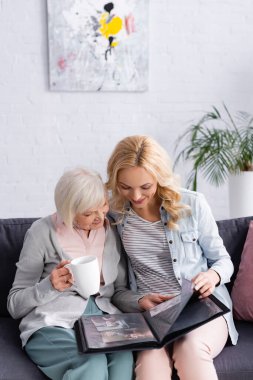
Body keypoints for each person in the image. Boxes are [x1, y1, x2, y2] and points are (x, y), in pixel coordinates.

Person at [106, 135, 238, 380]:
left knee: (189, 347)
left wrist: (212, 275)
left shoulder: (192, 204)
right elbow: (118, 291)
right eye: (125, 187)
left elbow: (224, 261)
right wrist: (140, 301)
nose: (135, 196)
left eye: (145, 186)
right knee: (149, 363)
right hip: (152, 317)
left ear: (159, 176)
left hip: (200, 309)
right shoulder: (114, 216)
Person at [7, 167, 133, 380]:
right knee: (92, 362)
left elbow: (119, 291)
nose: (100, 217)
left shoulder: (111, 230)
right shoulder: (41, 232)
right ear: (68, 210)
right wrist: (49, 286)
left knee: (124, 358)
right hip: (53, 323)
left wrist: (144, 303)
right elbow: (14, 305)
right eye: (88, 213)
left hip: (104, 322)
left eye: (102, 205)